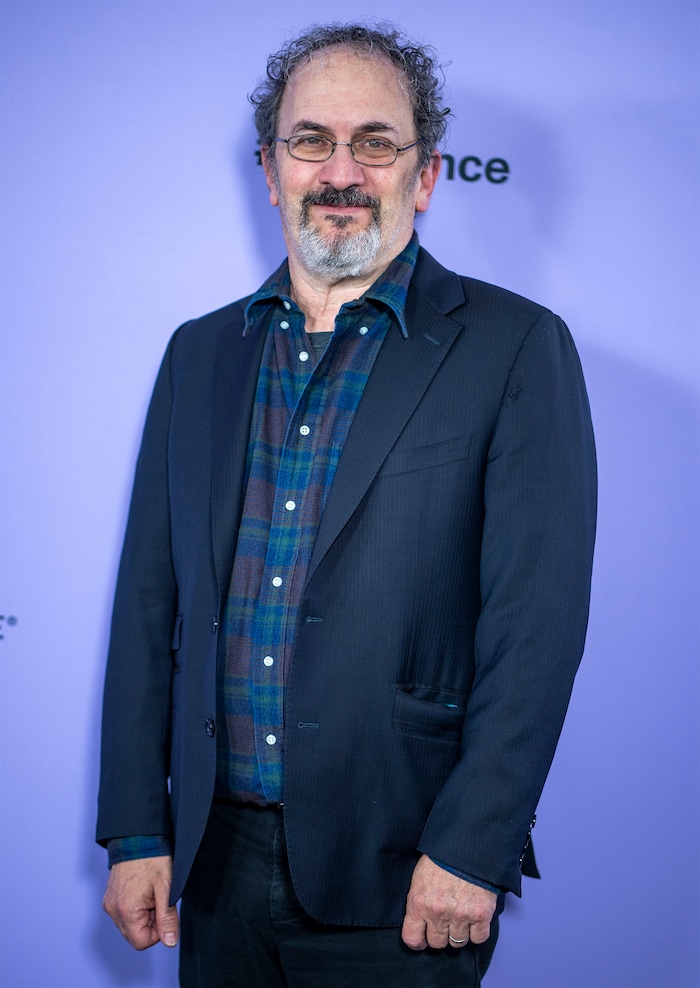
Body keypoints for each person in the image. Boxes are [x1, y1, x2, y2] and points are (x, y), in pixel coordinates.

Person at [97, 22, 597, 988]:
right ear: (271, 166)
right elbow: (149, 608)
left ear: (427, 174)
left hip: (407, 870)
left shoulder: (515, 347)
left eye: (376, 142)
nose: (341, 170)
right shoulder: (198, 353)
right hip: (212, 863)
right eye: (311, 141)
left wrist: (471, 848)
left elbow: (535, 629)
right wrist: (134, 827)